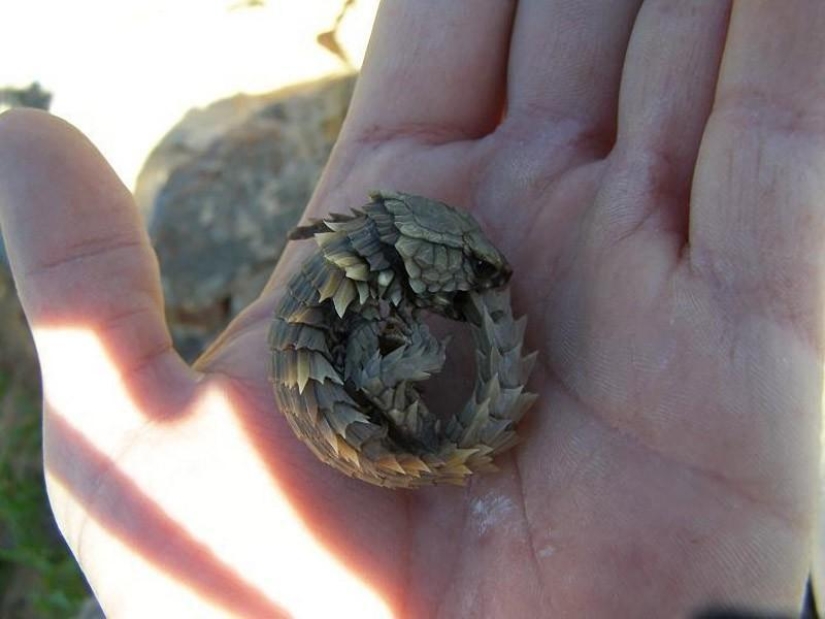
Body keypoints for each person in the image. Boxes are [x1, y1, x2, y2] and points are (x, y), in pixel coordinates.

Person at [0, 2, 822, 617]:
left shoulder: (384, 261)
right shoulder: (370, 308)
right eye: (469, 277)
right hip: (359, 389)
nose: (487, 290)